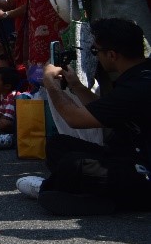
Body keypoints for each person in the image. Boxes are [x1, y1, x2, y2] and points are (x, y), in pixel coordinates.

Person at [16, 18, 151, 215]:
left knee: (75, 165)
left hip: (143, 170)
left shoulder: (137, 87)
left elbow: (76, 119)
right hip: (128, 154)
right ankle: (87, 195)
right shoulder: (135, 75)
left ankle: (105, 200)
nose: (96, 57)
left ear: (112, 55)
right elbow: (102, 110)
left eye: (96, 52)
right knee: (58, 145)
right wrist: (76, 86)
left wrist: (50, 83)